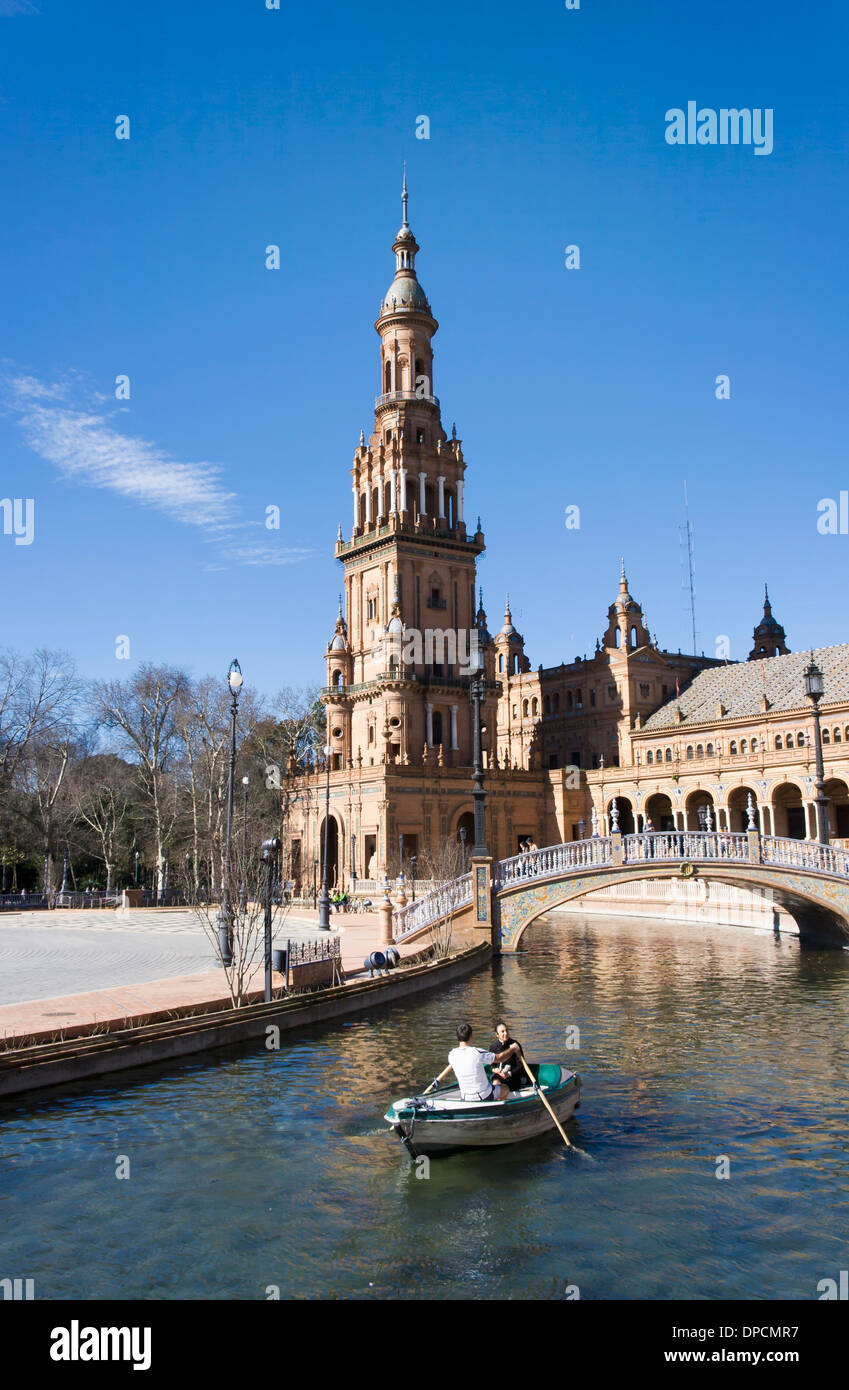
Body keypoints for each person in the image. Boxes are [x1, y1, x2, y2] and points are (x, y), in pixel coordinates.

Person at [447, 1022, 520, 1102]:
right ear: (471, 1036)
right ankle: (499, 1109)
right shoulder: (478, 1053)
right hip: (483, 1096)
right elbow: (500, 1058)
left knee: (495, 1083)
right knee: (505, 1088)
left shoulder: (451, 1055)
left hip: (465, 1097)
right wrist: (513, 1049)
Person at [490, 1020, 527, 1092]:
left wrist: (509, 1074)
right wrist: (494, 1069)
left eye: (507, 1030)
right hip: (499, 1076)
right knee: (496, 1081)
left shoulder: (515, 1045)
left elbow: (521, 1065)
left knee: (501, 1085)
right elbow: (492, 1064)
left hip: (513, 1076)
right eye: (502, 1031)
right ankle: (497, 1095)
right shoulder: (493, 1047)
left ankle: (499, 1093)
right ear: (497, 1034)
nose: (506, 1033)